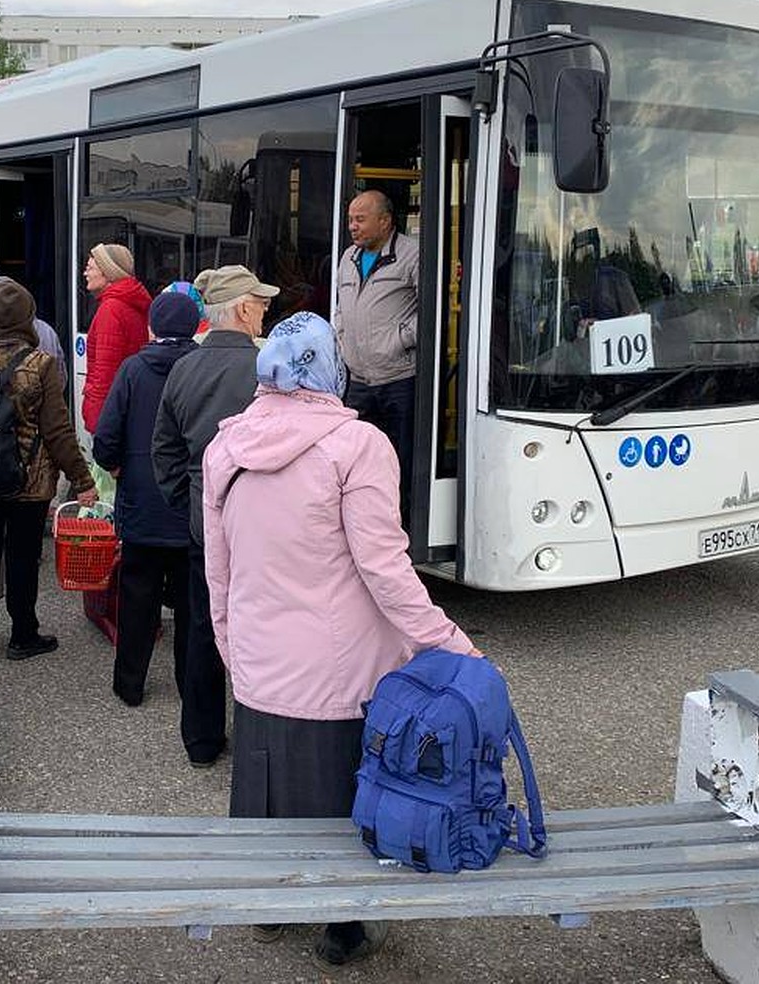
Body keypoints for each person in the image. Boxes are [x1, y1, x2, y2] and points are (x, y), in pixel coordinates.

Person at [202, 311, 476, 969]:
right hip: (341, 673)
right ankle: (345, 925)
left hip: (262, 667)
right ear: (332, 367)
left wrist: (233, 650)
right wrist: (447, 642)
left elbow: (219, 570)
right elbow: (384, 568)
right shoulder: (360, 448)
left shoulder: (225, 449)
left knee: (266, 784)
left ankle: (270, 907)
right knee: (341, 799)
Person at [151, 264, 279, 768]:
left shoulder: (184, 367)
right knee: (262, 630)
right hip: (263, 522)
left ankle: (201, 740)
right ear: (243, 309)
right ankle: (260, 736)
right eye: (262, 304)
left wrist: (189, 506)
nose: (265, 311)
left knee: (203, 626)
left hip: (204, 521)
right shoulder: (268, 366)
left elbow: (164, 449)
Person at [0, 279, 96, 659]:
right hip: (28, 482)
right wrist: (82, 479)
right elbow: (57, 430)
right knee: (22, 557)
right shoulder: (39, 363)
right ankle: (22, 635)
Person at [93, 291, 200, 707]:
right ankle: (190, 685)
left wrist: (117, 465)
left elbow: (106, 435)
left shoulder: (134, 369)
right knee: (192, 605)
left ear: (152, 327)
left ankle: (130, 684)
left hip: (141, 501)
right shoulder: (200, 369)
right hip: (190, 505)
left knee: (138, 597)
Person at [333, 189, 419, 521]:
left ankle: (400, 527)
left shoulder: (412, 255)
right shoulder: (348, 257)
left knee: (400, 461)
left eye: (360, 219)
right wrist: (342, 335)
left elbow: (431, 310)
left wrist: (399, 339)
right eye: (350, 219)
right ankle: (362, 523)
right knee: (356, 463)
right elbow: (342, 308)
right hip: (358, 381)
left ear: (385, 221)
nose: (352, 226)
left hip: (399, 379)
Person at [81, 243, 151, 434]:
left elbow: (104, 374)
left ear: (107, 272)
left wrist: (96, 423)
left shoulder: (110, 309)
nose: (85, 274)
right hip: (128, 408)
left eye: (90, 268)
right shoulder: (131, 303)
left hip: (108, 416)